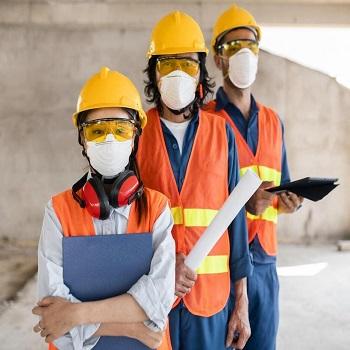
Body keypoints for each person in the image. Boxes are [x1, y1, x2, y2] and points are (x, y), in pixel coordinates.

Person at [32, 67, 175, 350]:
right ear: (82, 140)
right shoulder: (58, 211)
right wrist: (135, 328)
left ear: (135, 138)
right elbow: (54, 321)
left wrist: (76, 314)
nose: (109, 140)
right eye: (97, 130)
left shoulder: (157, 209)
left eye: (120, 129)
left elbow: (158, 301)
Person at [137, 11, 253, 350]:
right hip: (155, 296)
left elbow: (237, 224)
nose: (177, 74)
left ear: (201, 72)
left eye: (187, 64)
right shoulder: (137, 134)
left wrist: (241, 303)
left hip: (211, 302)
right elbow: (125, 224)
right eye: (166, 64)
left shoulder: (222, 134)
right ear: (154, 73)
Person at [206, 5, 304, 350]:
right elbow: (194, 195)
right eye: (234, 47)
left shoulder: (274, 121)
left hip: (265, 262)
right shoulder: (206, 120)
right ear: (218, 59)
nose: (244, 54)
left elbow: (281, 190)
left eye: (250, 46)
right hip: (221, 261)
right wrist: (243, 203)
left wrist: (287, 202)